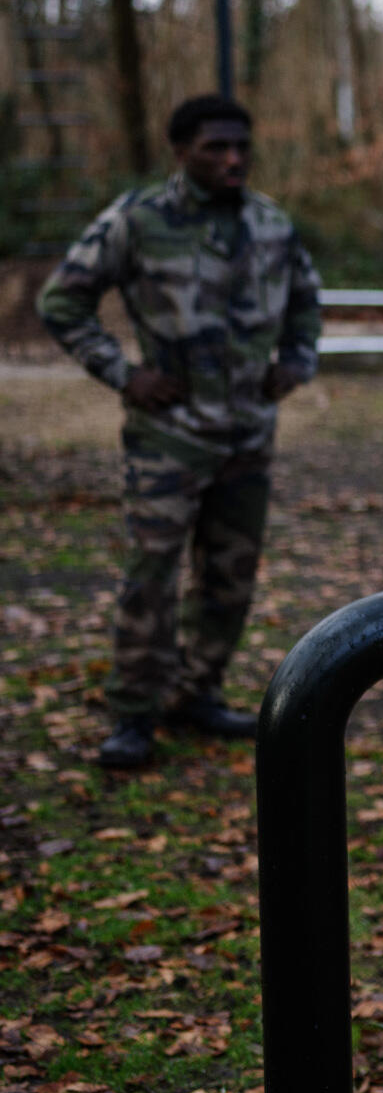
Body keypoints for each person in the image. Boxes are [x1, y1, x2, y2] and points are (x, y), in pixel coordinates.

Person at [38, 95, 322, 768]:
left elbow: (306, 297)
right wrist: (123, 374)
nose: (233, 159)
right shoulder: (138, 220)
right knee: (153, 576)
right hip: (169, 437)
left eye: (241, 146)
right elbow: (62, 300)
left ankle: (198, 693)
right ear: (181, 152)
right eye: (216, 147)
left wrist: (296, 361)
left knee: (230, 576)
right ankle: (133, 713)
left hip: (248, 435)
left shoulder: (270, 222)